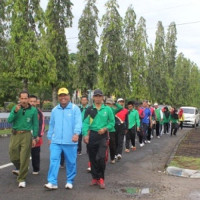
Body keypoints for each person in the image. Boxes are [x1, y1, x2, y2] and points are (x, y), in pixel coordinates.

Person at [44, 88, 82, 190]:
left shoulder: (75, 109)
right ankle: (52, 182)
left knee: (71, 162)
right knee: (53, 160)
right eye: (61, 95)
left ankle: (70, 181)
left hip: (70, 141)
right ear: (58, 97)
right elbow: (52, 125)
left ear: (69, 96)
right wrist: (49, 137)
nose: (63, 97)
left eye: (65, 95)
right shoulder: (55, 110)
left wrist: (76, 133)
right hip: (56, 141)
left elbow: (79, 123)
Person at [82, 89, 115, 189]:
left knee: (100, 158)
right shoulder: (89, 109)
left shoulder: (107, 109)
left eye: (100, 96)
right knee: (92, 158)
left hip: (103, 136)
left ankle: (101, 178)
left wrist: (105, 128)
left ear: (102, 97)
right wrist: (85, 135)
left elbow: (112, 123)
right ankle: (95, 178)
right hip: (92, 135)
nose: (98, 98)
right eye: (96, 96)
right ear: (93, 98)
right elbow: (85, 123)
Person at [8, 91, 39, 188]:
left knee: (24, 157)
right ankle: (21, 168)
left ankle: (21, 179)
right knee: (13, 155)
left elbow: (35, 124)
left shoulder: (33, 110)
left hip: (26, 135)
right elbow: (9, 120)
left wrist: (35, 137)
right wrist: (15, 112)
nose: (24, 100)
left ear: (28, 99)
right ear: (19, 99)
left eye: (26, 98)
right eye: (22, 98)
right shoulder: (15, 108)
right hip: (15, 134)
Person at [29, 95, 45, 175]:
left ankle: (36, 168)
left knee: (35, 154)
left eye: (34, 101)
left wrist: (38, 135)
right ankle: (21, 168)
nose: (32, 103)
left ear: (37, 102)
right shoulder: (24, 111)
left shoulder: (39, 112)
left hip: (36, 136)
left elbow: (42, 125)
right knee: (22, 153)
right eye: (31, 101)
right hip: (26, 136)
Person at [105, 98, 123, 163]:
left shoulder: (113, 110)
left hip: (111, 130)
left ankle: (112, 158)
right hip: (104, 130)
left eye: (110, 104)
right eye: (107, 103)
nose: (109, 105)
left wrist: (115, 103)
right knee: (103, 145)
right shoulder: (103, 109)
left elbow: (121, 107)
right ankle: (103, 159)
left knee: (112, 145)